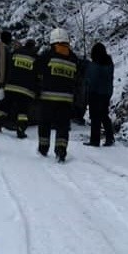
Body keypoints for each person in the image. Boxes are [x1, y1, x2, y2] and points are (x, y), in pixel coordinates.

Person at [35, 27, 78, 163]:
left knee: (45, 123)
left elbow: (36, 67)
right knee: (63, 126)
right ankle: (61, 150)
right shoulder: (74, 58)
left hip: (48, 97)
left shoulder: (48, 55)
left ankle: (43, 147)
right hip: (66, 99)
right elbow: (79, 79)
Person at [0, 39, 38, 138]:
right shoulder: (35, 57)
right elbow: (38, 75)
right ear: (33, 47)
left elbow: (8, 66)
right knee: (22, 111)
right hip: (25, 90)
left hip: (11, 86)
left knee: (4, 106)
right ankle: (20, 130)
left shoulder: (15, 53)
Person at [83, 42, 115, 147]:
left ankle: (95, 140)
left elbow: (90, 78)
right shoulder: (109, 64)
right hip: (106, 93)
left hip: (95, 93)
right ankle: (110, 138)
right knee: (104, 115)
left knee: (95, 116)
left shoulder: (94, 66)